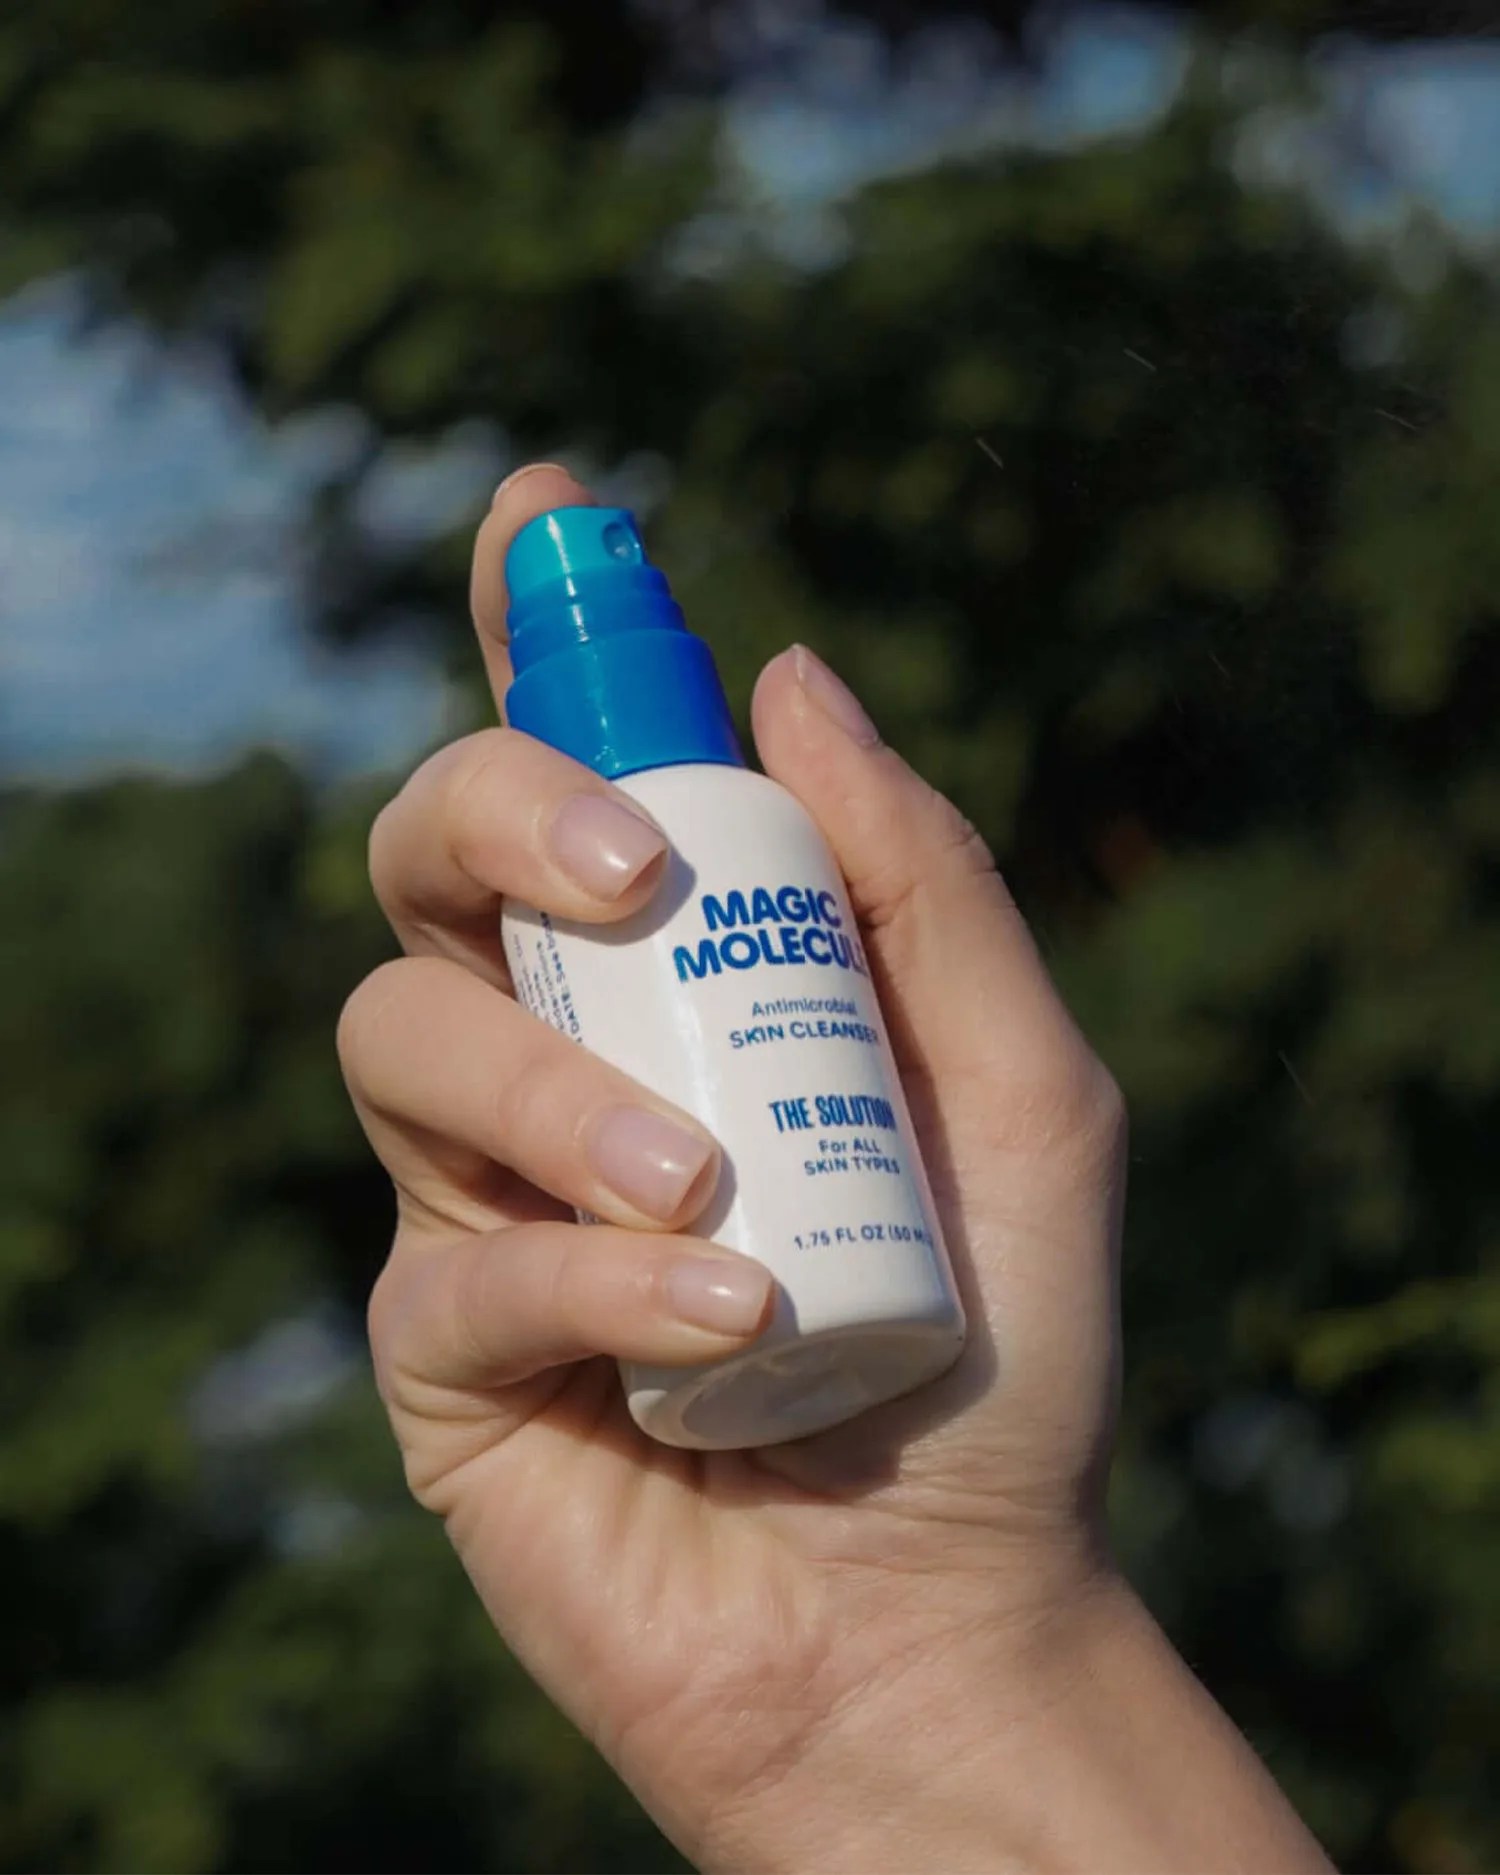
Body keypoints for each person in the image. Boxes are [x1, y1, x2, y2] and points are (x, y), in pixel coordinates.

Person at [336, 462, 1332, 1873]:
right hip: (735, 1427)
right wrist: (881, 1716)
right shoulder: (604, 885)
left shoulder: (763, 825)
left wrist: (975, 1648)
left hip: (898, 1421)